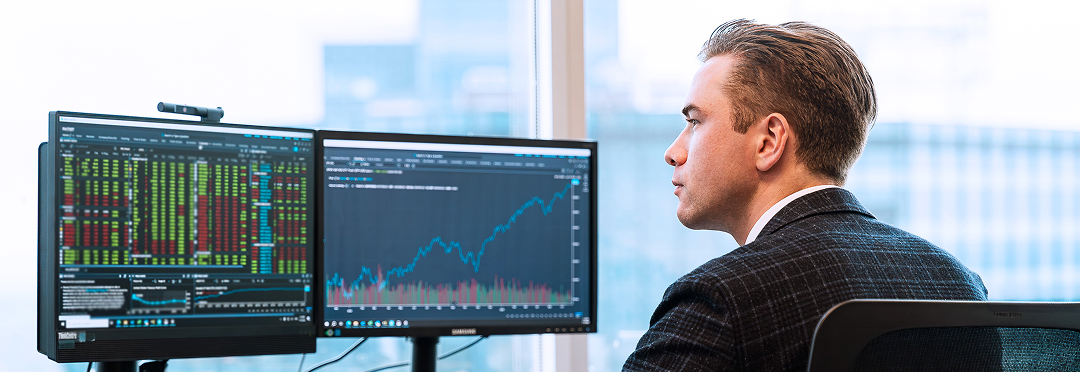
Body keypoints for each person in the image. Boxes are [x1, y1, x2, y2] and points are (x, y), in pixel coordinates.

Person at [622, 19, 989, 372]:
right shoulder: (960, 284)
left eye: (694, 122)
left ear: (768, 142)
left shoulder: (721, 300)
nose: (673, 151)